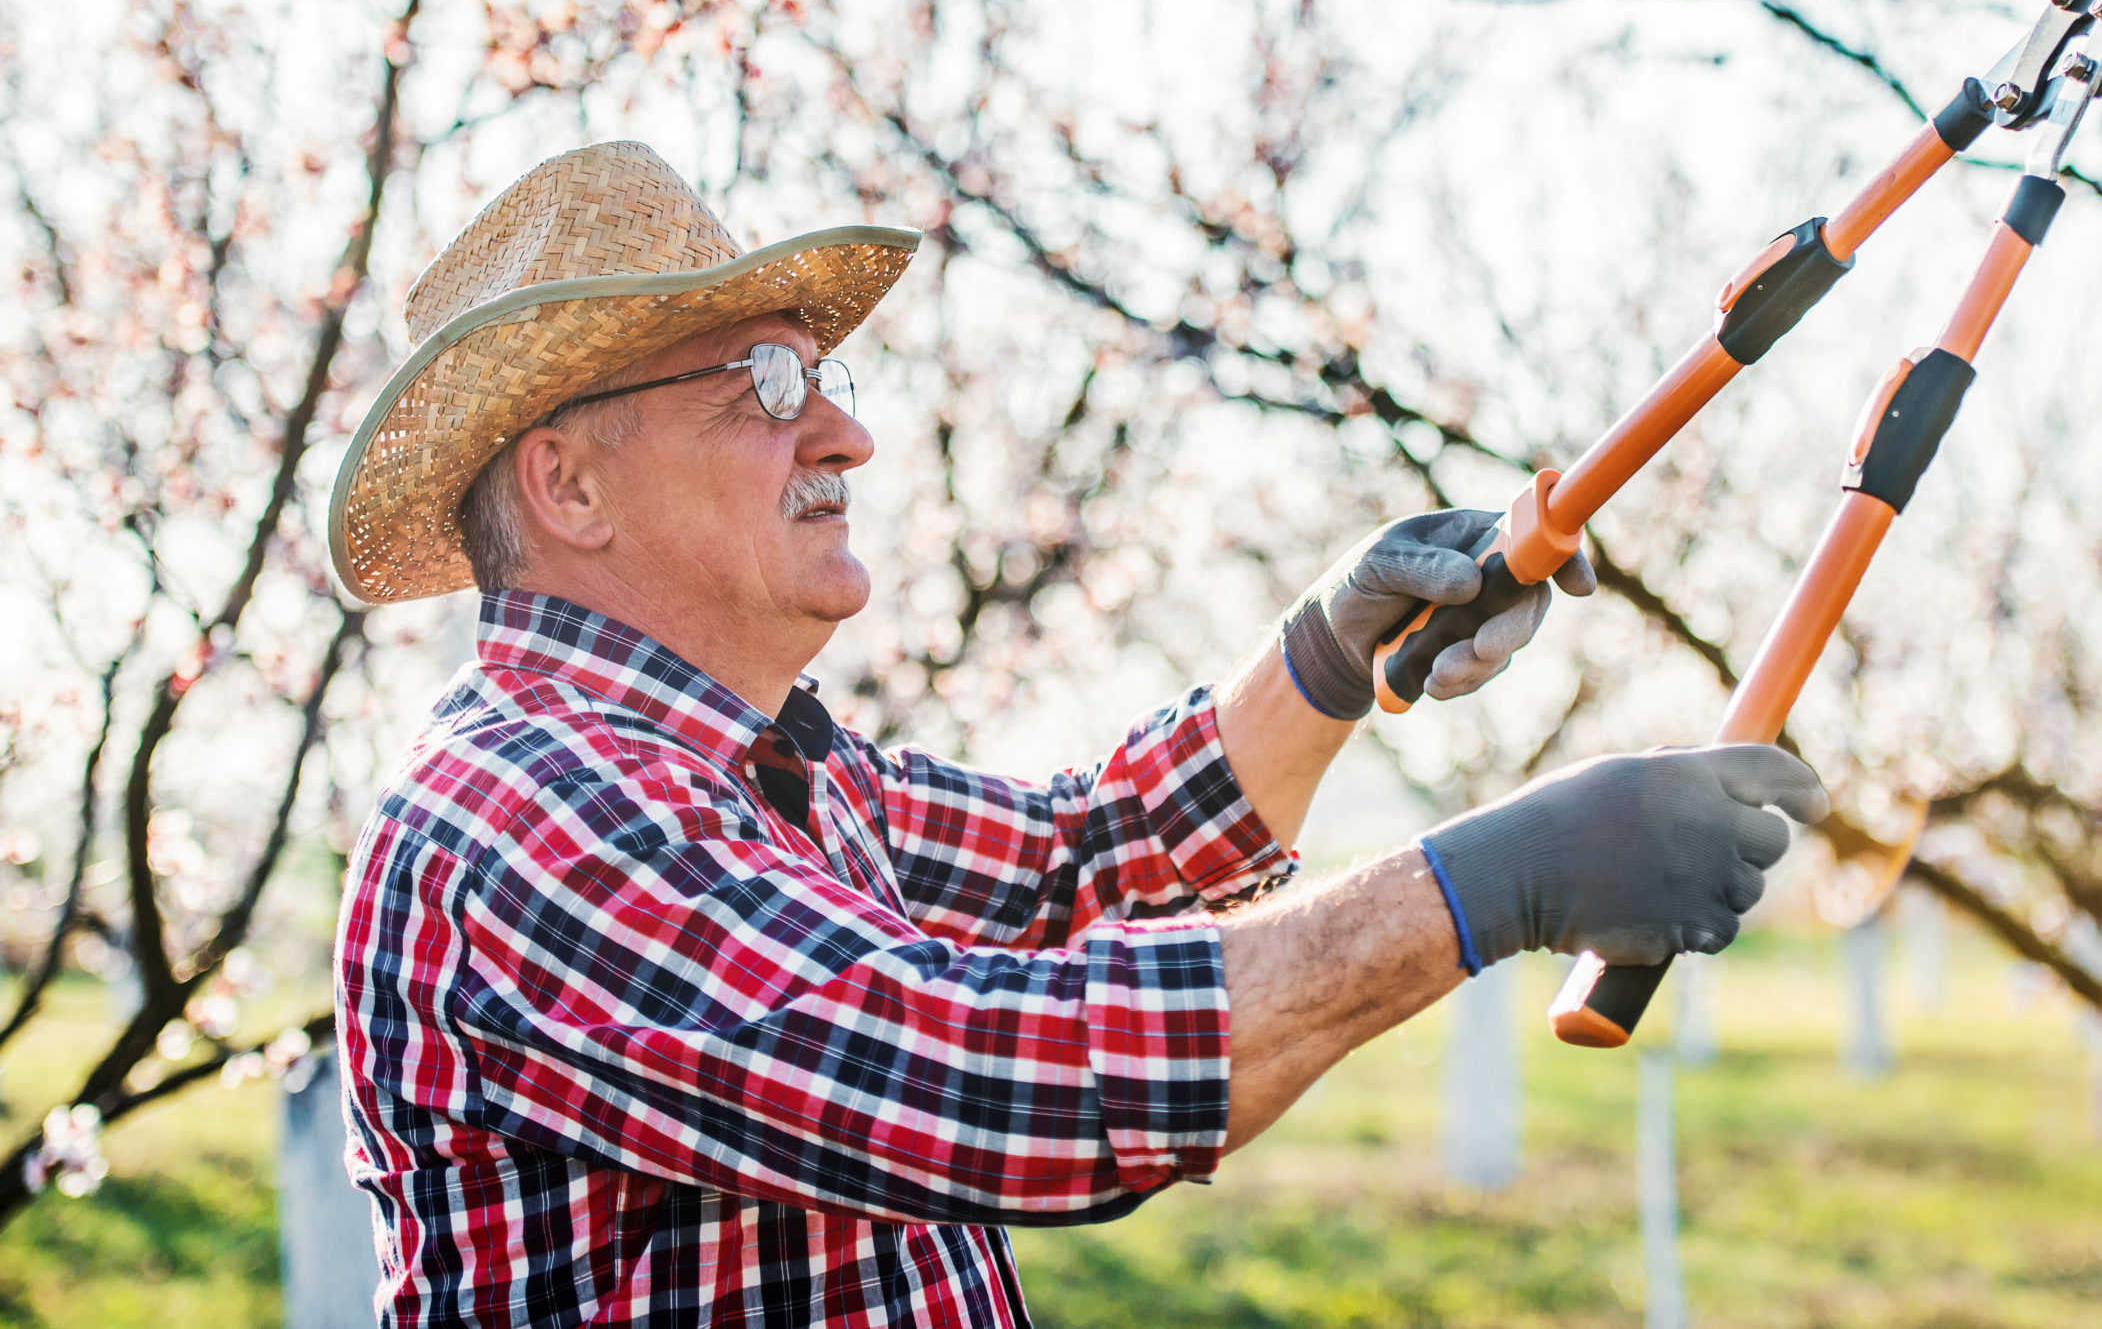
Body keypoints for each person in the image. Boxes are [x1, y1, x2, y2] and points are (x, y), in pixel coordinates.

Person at [328, 142, 1826, 1327]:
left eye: (824, 380)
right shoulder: (531, 819)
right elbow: (994, 1076)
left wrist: (1324, 648)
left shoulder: (761, 767)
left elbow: (1076, 860)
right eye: (766, 388)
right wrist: (1508, 877)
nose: (847, 435)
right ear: (570, 487)